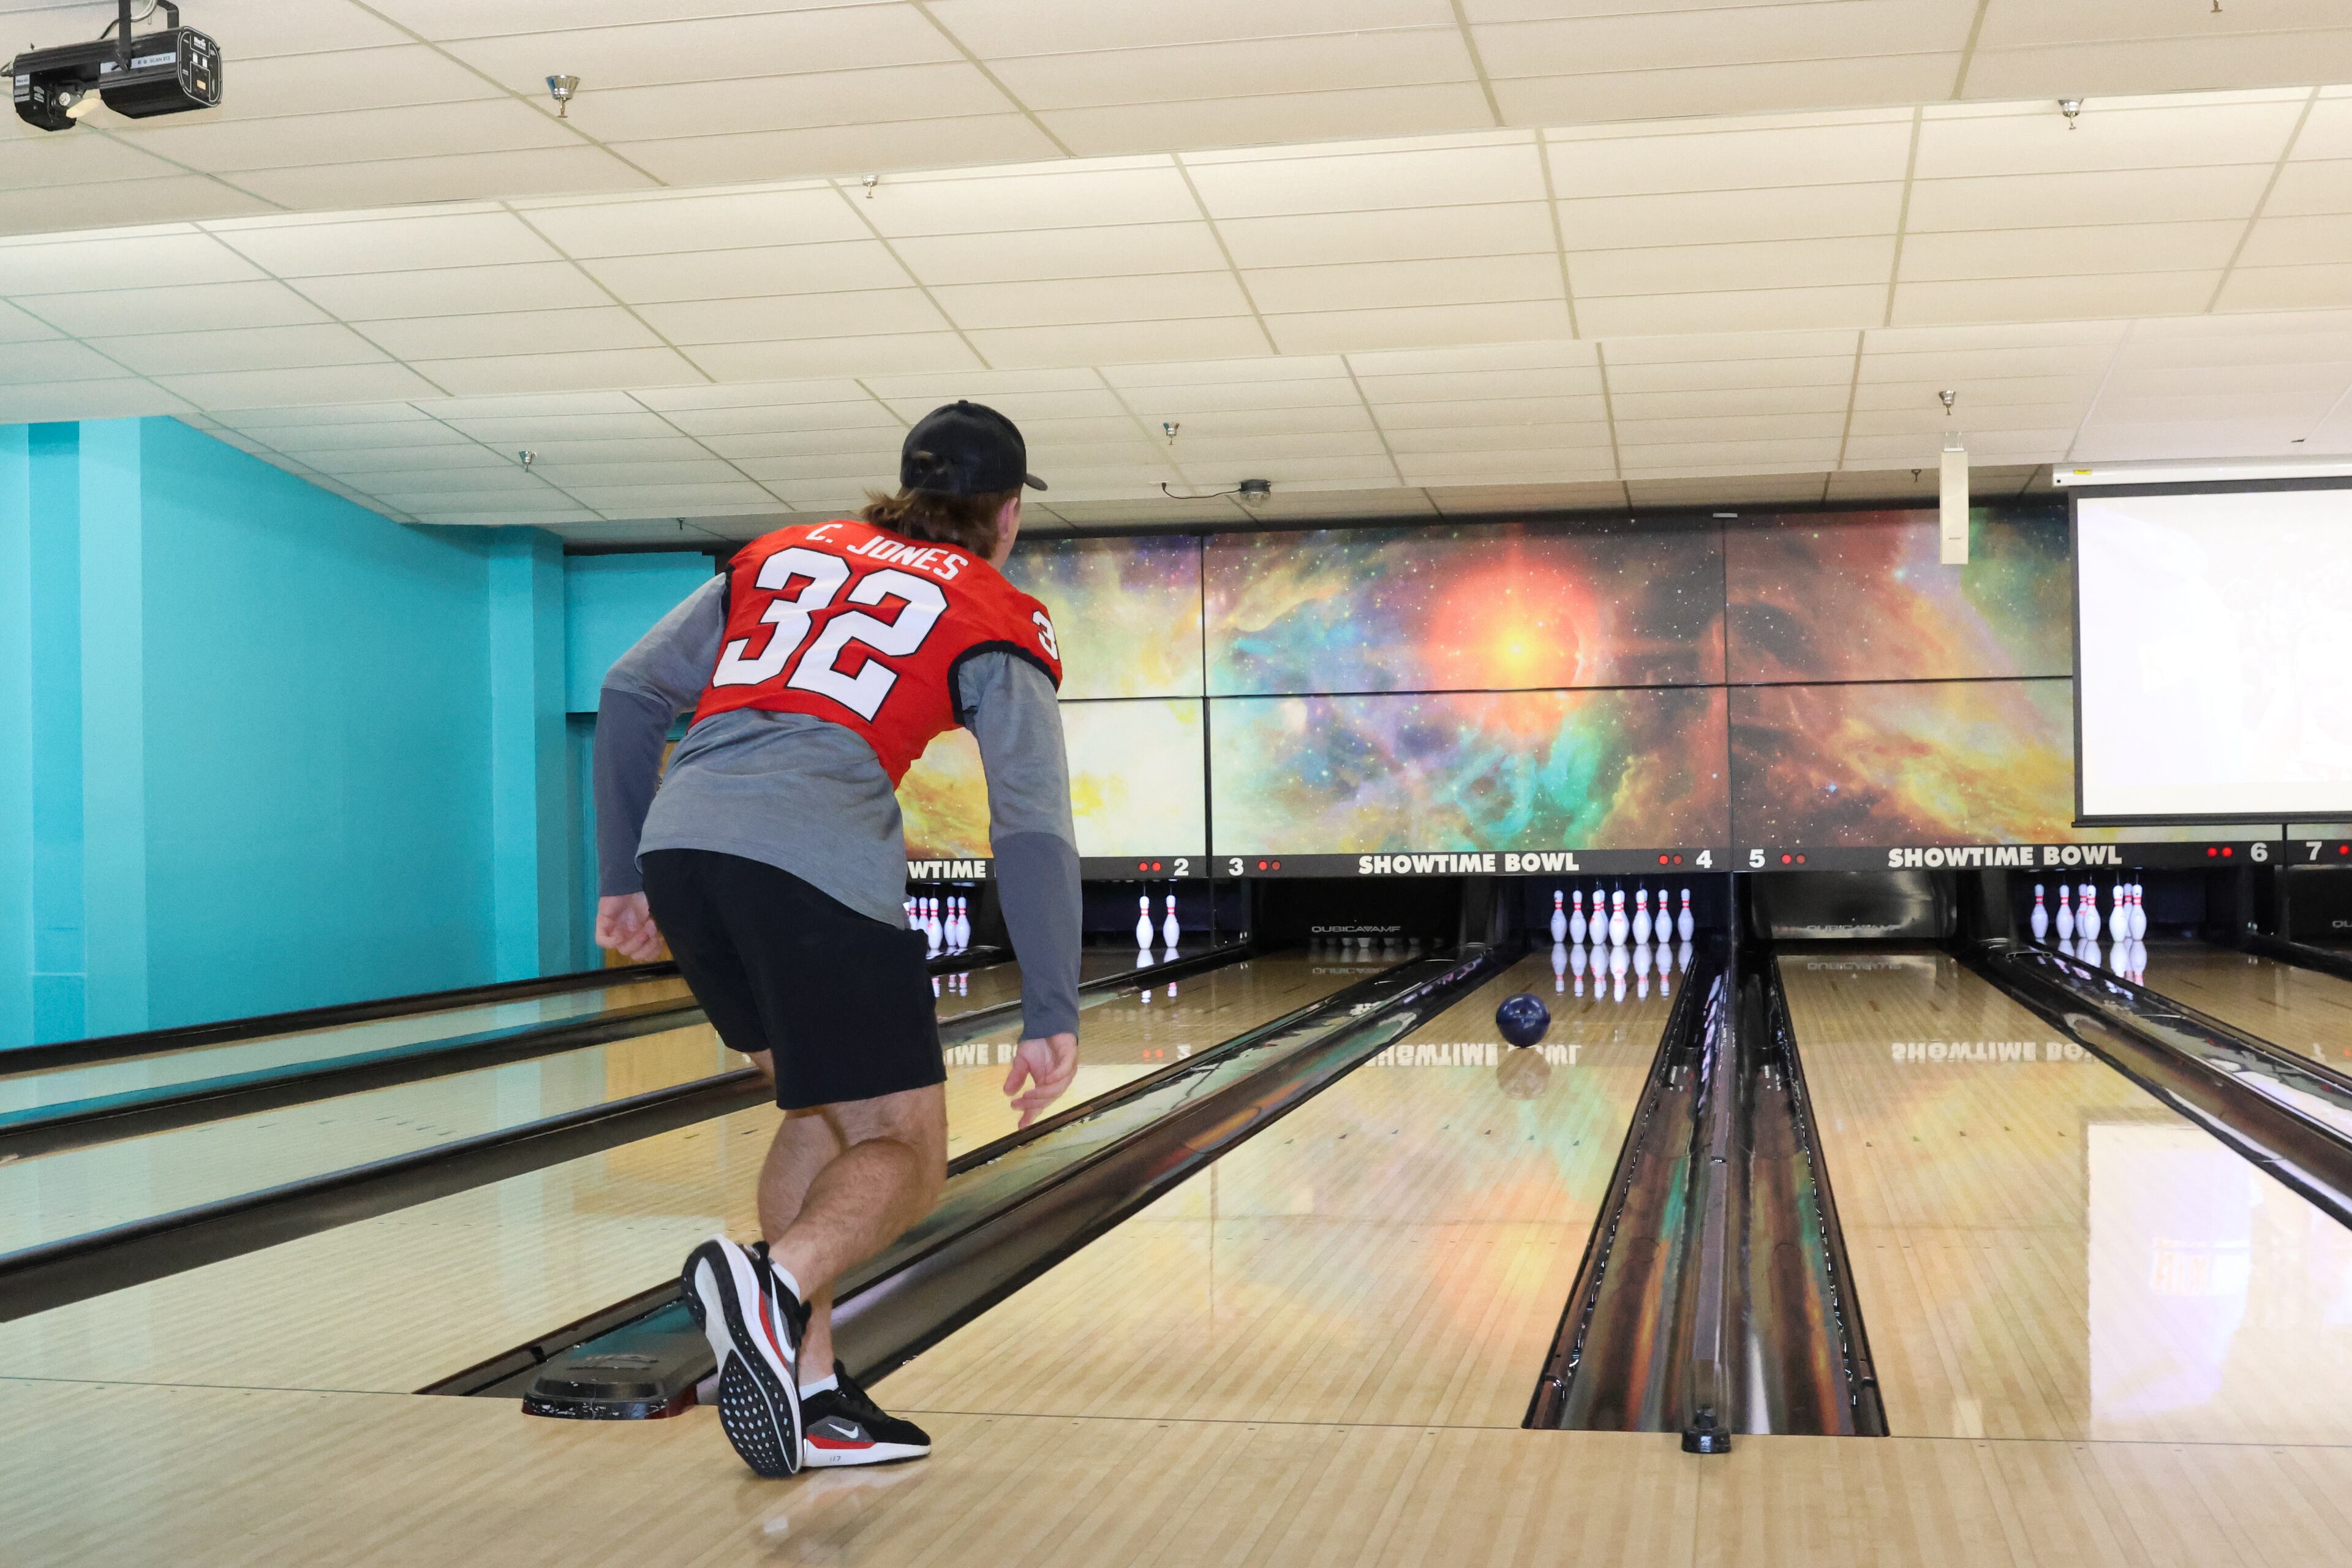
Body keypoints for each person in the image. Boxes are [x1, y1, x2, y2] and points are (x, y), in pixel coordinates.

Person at [592, 401, 1082, 1477]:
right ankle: (768, 1288)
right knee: (909, 1151)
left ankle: (810, 1388)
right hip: (812, 870)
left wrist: (621, 877)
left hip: (686, 855)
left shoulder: (778, 554)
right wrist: (1051, 1006)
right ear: (1005, 515)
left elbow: (630, 694)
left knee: (819, 1110)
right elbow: (1032, 824)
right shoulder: (1001, 611)